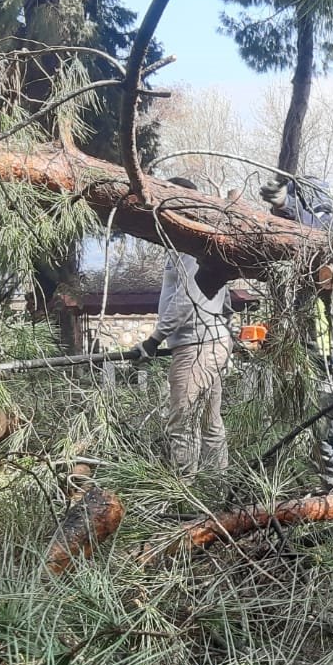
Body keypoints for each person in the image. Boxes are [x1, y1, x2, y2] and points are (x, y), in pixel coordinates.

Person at [262, 174, 333, 490]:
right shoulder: (299, 236)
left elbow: (317, 234)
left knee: (327, 426)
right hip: (319, 348)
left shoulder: (330, 227)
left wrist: (286, 205)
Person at [133, 179, 232, 479]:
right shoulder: (202, 239)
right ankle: (218, 490)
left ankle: (185, 497)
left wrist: (154, 339)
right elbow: (222, 297)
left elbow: (188, 295)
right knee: (208, 424)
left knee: (182, 424)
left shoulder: (188, 243)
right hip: (209, 341)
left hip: (195, 345)